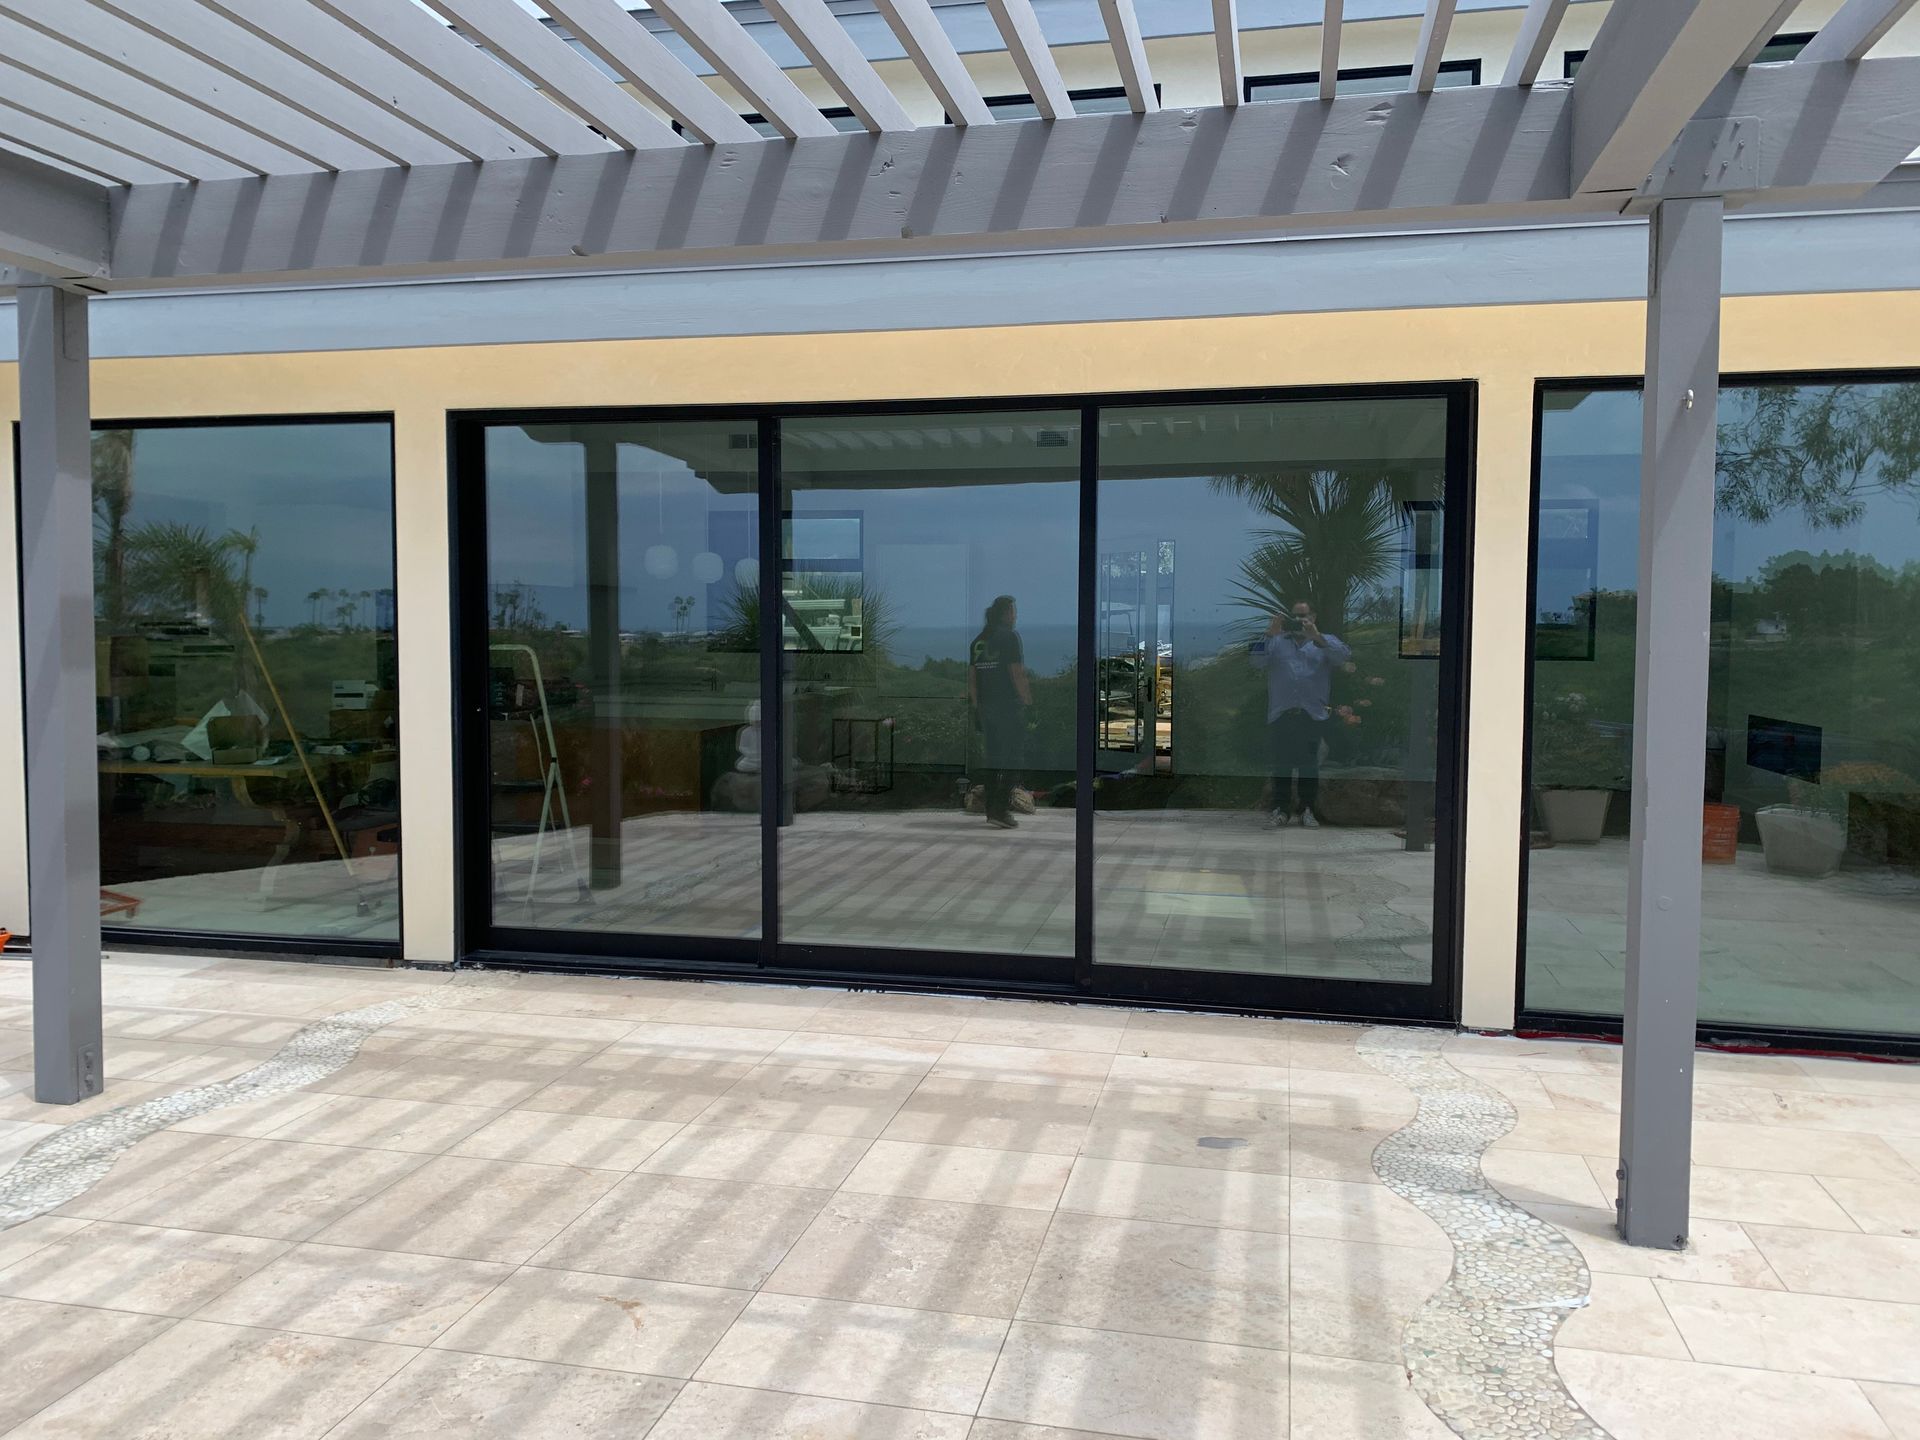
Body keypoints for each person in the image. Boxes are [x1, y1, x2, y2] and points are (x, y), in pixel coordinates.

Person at [1250, 600, 1350, 828]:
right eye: (1294, 616)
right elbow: (1254, 661)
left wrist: (1318, 638)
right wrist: (1269, 633)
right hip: (1282, 713)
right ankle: (1280, 809)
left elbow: (1343, 657)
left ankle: (1307, 809)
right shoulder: (1276, 642)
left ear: (1313, 617)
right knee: (1281, 764)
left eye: (1303, 615)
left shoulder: (1324, 641)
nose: (1299, 620)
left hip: (1311, 713)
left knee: (1309, 765)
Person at [969, 594, 1031, 830]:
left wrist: (977, 707)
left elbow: (972, 679)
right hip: (1007, 707)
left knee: (993, 759)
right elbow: (1017, 673)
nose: (1016, 616)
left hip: (986, 709)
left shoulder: (978, 641)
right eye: (1013, 612)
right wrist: (1027, 701)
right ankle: (1001, 808)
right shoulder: (1009, 638)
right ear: (1006, 614)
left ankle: (991, 809)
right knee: (1014, 758)